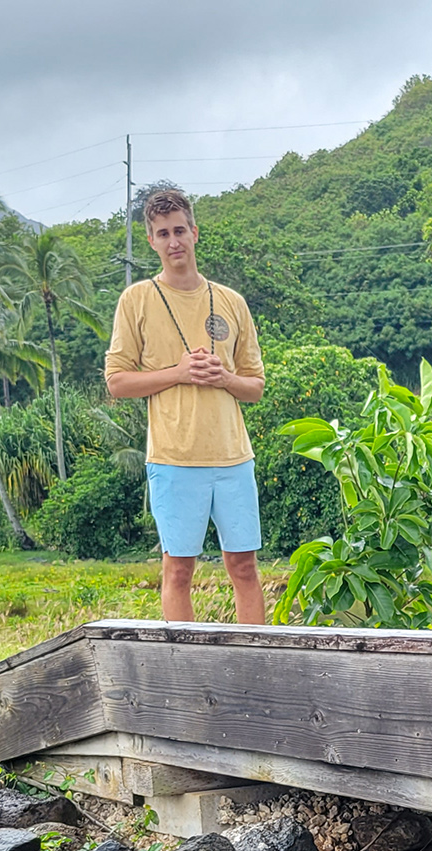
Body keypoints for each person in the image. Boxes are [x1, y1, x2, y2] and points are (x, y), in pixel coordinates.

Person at [104, 188, 267, 624]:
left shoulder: (232, 302)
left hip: (234, 458)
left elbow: (255, 386)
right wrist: (177, 373)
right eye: (163, 233)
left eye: (180, 230)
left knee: (245, 567)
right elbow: (117, 381)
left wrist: (224, 377)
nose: (173, 241)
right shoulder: (136, 300)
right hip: (174, 459)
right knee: (178, 571)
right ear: (152, 242)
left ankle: (257, 664)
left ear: (195, 233)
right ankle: (184, 671)